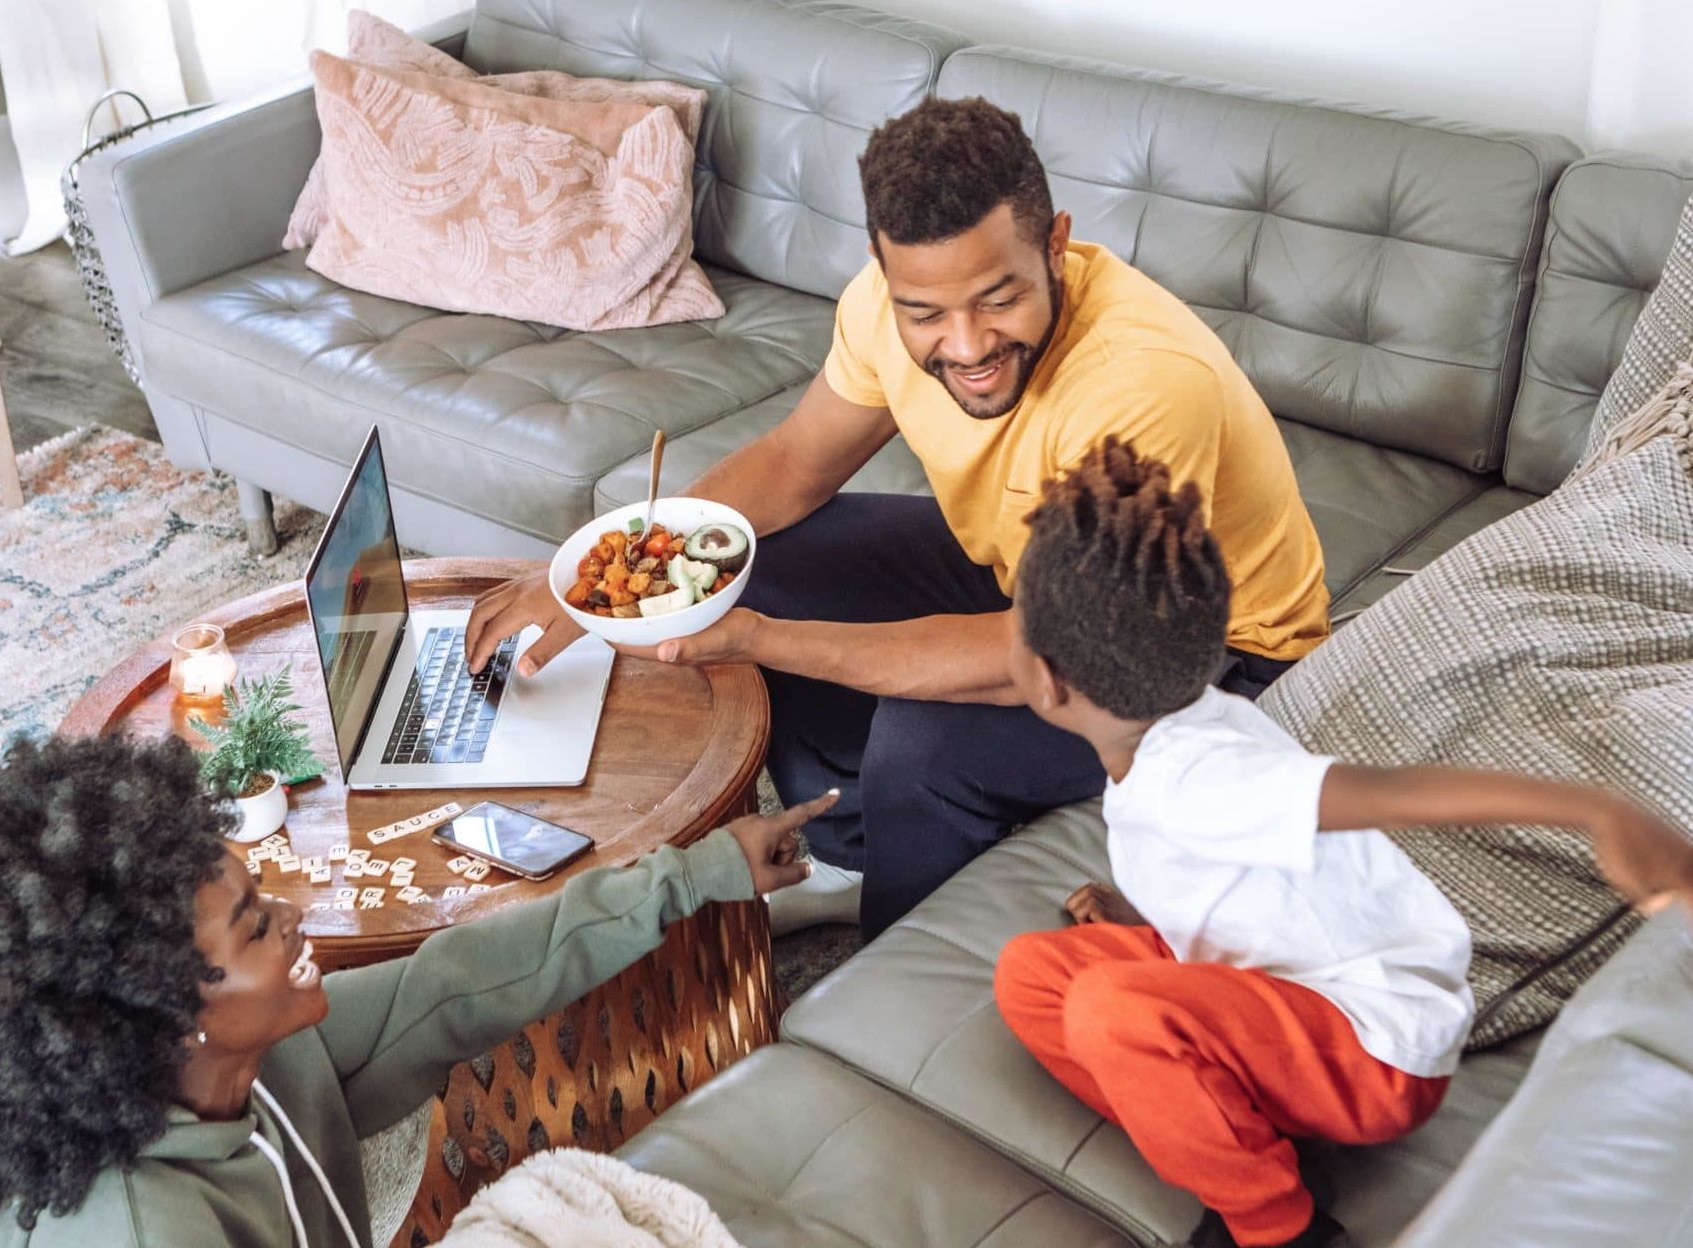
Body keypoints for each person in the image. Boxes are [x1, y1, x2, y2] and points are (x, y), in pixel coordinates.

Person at [467, 96, 1329, 937]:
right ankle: (852, 855)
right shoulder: (880, 312)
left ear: (1056, 245)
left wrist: (760, 640)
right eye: (927, 312)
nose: (967, 345)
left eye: (1000, 298)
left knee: (924, 739)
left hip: (1202, 653)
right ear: (888, 278)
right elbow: (796, 465)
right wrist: (605, 575)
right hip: (1026, 575)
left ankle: (893, 945)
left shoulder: (1137, 385)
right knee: (754, 553)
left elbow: (1039, 652)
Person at [992, 439, 1693, 1248]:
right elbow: (1242, 890)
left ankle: (1278, 1225)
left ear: (1047, 679)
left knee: (1109, 1011)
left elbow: (1396, 794)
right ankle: (1222, 1125)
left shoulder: (1201, 777)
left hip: (1373, 1055)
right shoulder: (1176, 727)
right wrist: (1145, 916)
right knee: (1033, 976)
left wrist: (1600, 812)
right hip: (1280, 993)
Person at [0, 734, 835, 1248]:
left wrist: (700, 873)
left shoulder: (246, 1064)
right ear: (162, 1010)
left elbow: (459, 983)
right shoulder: (144, 1229)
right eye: (258, 925)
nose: (299, 922)